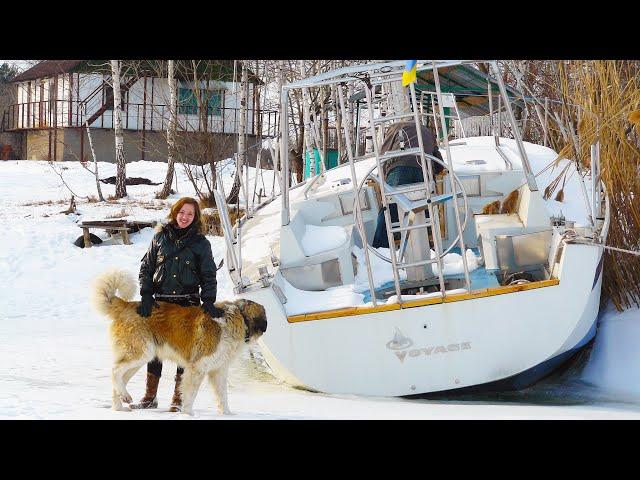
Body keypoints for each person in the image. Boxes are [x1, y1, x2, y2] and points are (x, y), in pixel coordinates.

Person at [131, 197, 220, 412]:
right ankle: (150, 397)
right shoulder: (160, 237)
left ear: (195, 217)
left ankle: (178, 399)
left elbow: (209, 275)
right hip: (160, 304)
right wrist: (146, 294)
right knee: (155, 352)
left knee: (184, 354)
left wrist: (208, 301)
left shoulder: (201, 243)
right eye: (182, 212)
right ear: (175, 212)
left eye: (190, 214)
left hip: (187, 306)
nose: (185, 217)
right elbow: (147, 268)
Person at [372, 122, 444, 248]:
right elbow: (438, 162)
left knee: (389, 207)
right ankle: (429, 241)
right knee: (424, 206)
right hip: (423, 170)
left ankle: (380, 247)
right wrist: (435, 171)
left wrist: (383, 176)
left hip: (399, 169)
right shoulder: (427, 132)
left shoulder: (395, 128)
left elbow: (383, 155)